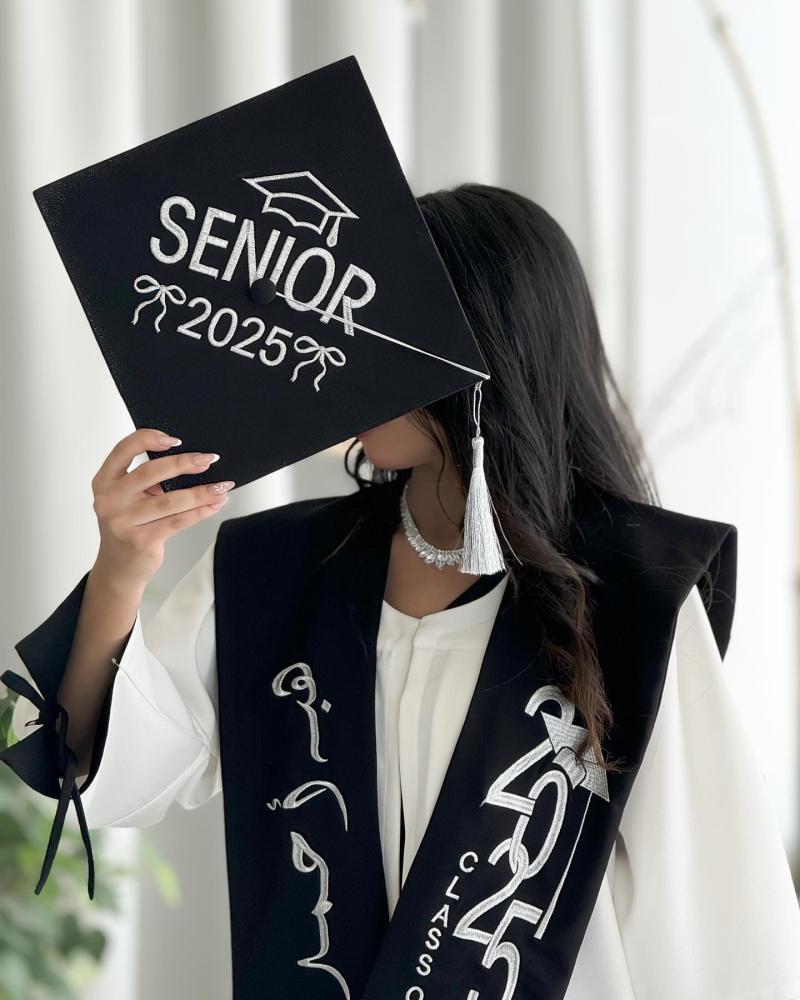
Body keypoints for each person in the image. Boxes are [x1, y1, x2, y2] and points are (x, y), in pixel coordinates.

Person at [6, 184, 800, 1000]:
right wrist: (123, 565)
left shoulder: (632, 595)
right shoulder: (274, 569)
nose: (348, 348)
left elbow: (722, 928)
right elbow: (108, 768)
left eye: (384, 323)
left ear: (485, 344)